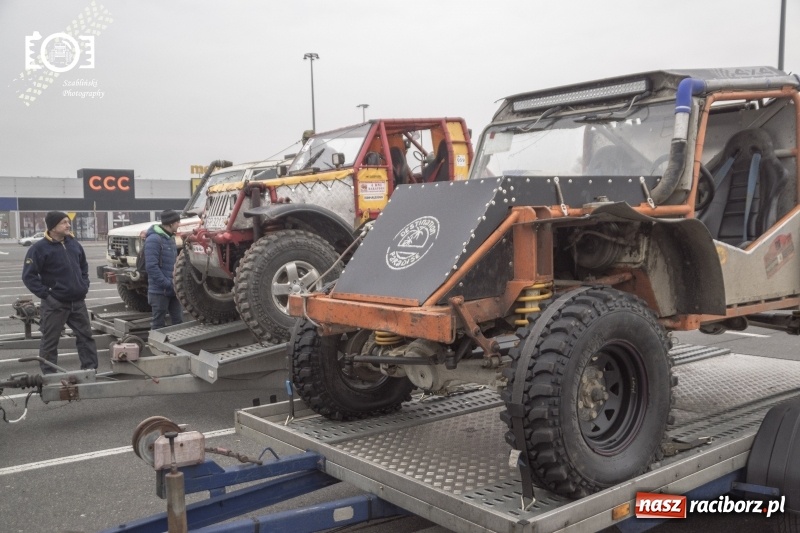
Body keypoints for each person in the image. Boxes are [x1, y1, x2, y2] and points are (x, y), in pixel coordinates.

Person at [22, 211, 98, 374]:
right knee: (50, 341)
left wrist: (84, 285)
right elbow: (29, 276)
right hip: (55, 304)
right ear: (52, 227)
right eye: (64, 222)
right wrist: (47, 295)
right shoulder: (39, 249)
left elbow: (83, 267)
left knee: (86, 337)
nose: (68, 225)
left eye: (68, 222)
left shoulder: (74, 244)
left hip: (77, 302)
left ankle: (89, 371)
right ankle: (50, 376)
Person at [145, 209, 184, 329]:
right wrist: (167, 284)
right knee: (158, 324)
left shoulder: (170, 238)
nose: (179, 224)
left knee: (179, 322)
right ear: (171, 223)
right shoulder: (154, 239)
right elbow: (151, 267)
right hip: (159, 292)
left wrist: (175, 283)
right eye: (177, 222)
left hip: (172, 289)